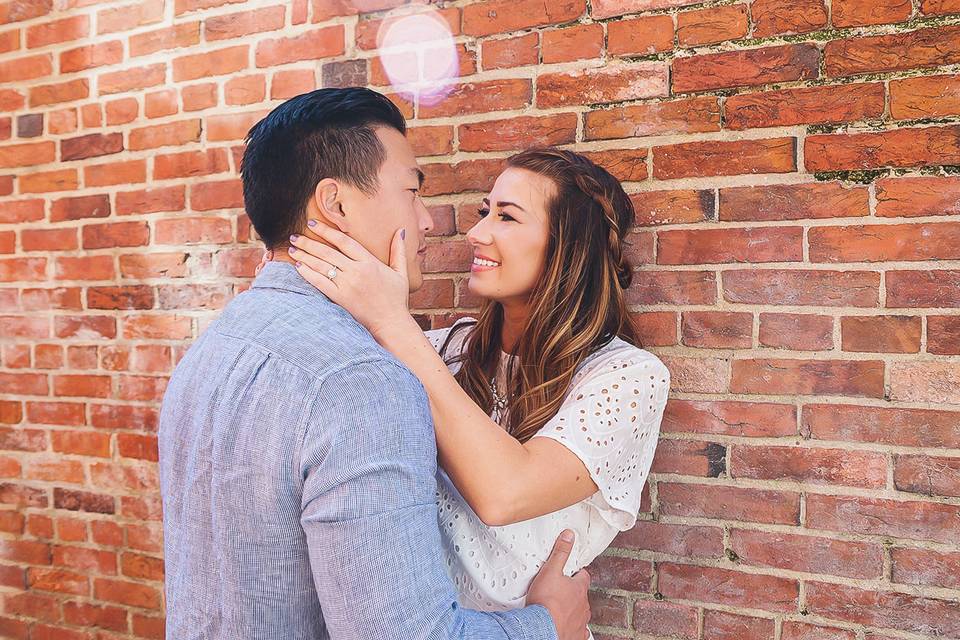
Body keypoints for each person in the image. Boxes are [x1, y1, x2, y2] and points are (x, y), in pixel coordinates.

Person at [158, 87, 591, 640]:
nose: (429, 221)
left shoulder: (214, 347)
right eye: (412, 191)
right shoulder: (364, 383)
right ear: (335, 204)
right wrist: (548, 624)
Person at [273, 146, 671, 626]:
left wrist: (392, 320)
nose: (477, 233)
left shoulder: (628, 378)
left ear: (568, 244)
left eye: (506, 217)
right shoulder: (440, 351)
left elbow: (503, 494)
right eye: (486, 212)